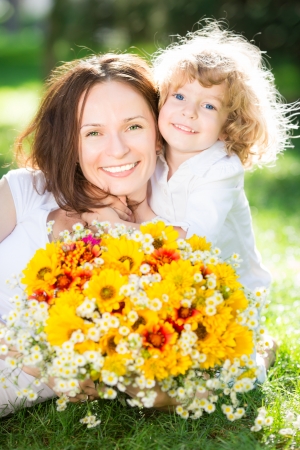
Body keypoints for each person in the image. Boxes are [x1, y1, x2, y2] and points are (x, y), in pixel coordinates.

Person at [0, 52, 164, 415]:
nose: (117, 149)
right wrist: (32, 359)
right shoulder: (28, 192)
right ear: (71, 143)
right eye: (93, 133)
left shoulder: (170, 235)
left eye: (134, 126)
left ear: (158, 131)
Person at [149, 20, 297, 292]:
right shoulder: (151, 154)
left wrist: (129, 221)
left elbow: (193, 241)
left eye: (208, 105)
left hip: (229, 292)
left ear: (228, 126)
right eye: (179, 97)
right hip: (176, 279)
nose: (189, 112)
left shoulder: (221, 170)